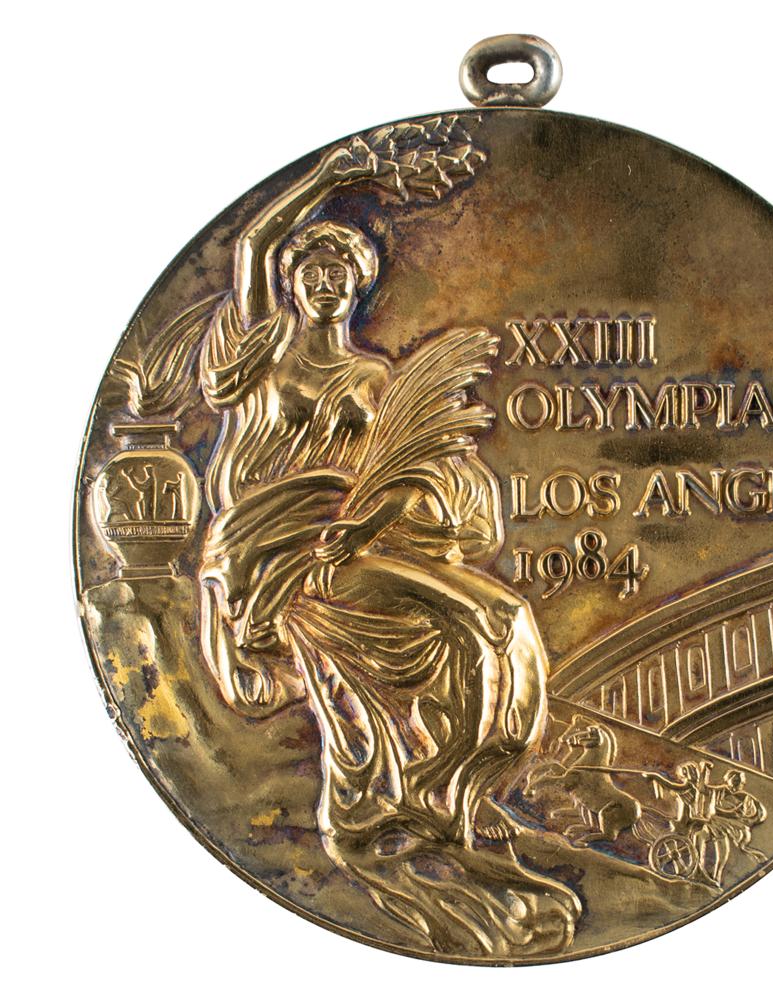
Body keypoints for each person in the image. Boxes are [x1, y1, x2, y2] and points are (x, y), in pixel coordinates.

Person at [183, 143, 579, 958]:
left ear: (359, 285)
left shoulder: (372, 377)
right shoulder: (262, 355)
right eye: (313, 271)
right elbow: (252, 244)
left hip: (346, 540)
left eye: (341, 271)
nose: (326, 282)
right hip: (272, 547)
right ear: (291, 283)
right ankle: (390, 815)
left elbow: (398, 473)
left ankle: (448, 798)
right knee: (457, 623)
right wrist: (335, 178)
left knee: (499, 617)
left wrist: (373, 521)